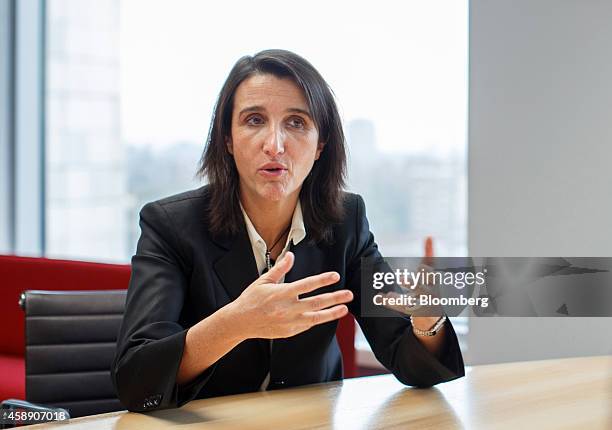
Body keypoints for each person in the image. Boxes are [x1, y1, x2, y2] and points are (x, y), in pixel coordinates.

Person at [111, 49, 464, 412]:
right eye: (253, 120)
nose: (275, 145)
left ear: (320, 144)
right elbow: (136, 381)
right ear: (228, 140)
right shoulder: (170, 225)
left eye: (296, 123)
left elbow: (411, 365)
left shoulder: (346, 220)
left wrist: (428, 320)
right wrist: (236, 323)